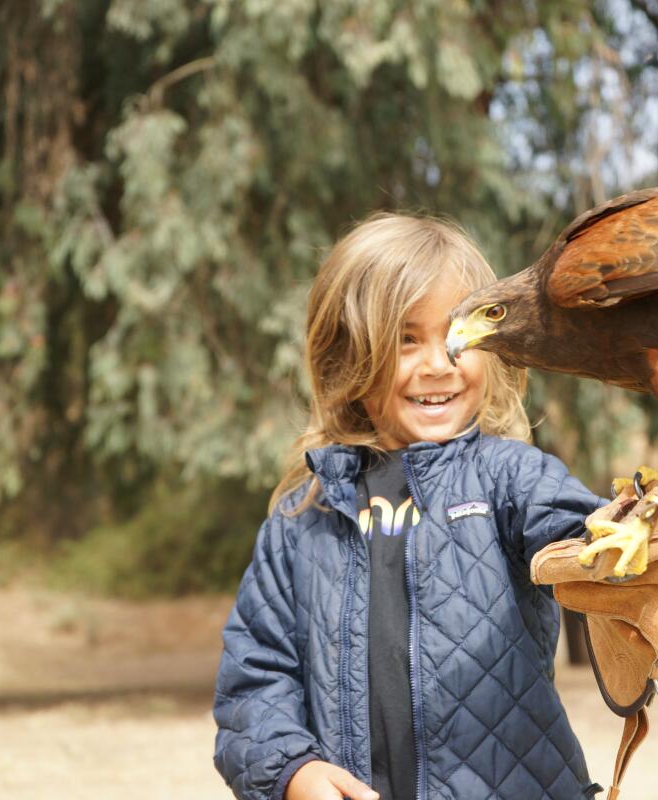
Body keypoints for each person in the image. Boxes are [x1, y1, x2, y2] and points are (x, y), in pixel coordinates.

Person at [212, 212, 608, 800]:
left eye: (458, 334)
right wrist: (294, 772)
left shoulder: (508, 477)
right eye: (405, 339)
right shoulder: (301, 522)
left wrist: (624, 544)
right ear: (347, 357)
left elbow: (579, 530)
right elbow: (253, 686)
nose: (439, 363)